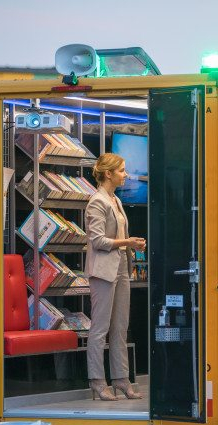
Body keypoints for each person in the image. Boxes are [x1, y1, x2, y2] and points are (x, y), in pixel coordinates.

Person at [85, 153, 146, 401]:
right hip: (103, 270)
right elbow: (97, 241)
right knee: (101, 328)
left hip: (121, 265)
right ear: (108, 174)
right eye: (122, 170)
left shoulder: (116, 201)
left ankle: (121, 379)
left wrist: (131, 245)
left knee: (121, 326)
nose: (126, 174)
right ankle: (98, 381)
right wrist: (127, 242)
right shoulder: (96, 202)